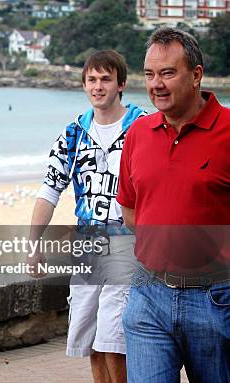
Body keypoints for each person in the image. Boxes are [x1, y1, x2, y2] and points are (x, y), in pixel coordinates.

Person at [117, 27, 229, 382]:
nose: (156, 84)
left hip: (217, 299)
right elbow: (130, 208)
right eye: (149, 74)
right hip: (148, 296)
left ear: (196, 75)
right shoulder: (137, 133)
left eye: (168, 72)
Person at [30, 50, 146, 383]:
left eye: (106, 79)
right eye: (92, 80)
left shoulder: (143, 127)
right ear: (83, 84)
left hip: (129, 244)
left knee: (115, 338)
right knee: (92, 339)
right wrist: (33, 243)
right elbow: (49, 190)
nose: (98, 86)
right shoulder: (72, 135)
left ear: (120, 84)